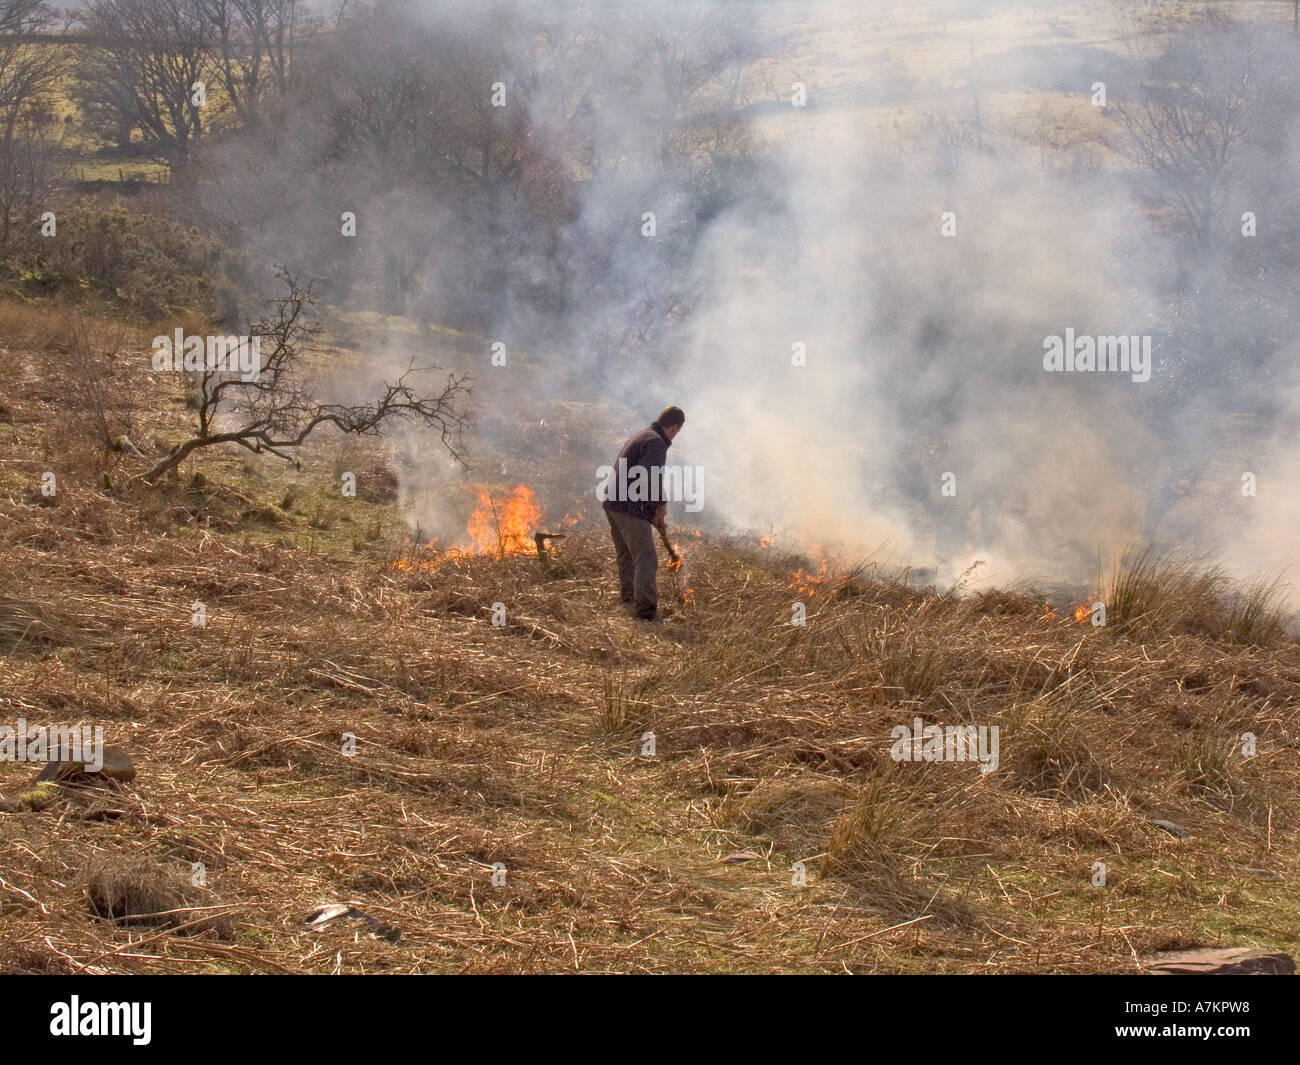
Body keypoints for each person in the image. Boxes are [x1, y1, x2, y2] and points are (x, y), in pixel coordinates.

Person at [602, 406, 685, 620]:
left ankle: (628, 600)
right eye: (677, 431)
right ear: (675, 427)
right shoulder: (656, 442)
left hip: (613, 503)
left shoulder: (642, 435)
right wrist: (660, 506)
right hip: (628, 507)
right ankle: (646, 612)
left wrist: (652, 513)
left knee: (627, 554)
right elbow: (649, 478)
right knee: (646, 556)